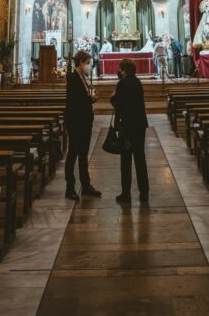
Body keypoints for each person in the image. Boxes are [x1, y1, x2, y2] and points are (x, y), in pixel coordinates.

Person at [64, 49, 102, 201]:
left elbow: (81, 97)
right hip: (76, 123)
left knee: (83, 155)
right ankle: (70, 187)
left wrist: (90, 97)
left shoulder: (81, 77)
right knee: (73, 154)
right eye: (87, 63)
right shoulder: (73, 78)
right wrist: (91, 99)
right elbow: (76, 102)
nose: (89, 66)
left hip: (84, 121)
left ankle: (86, 185)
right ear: (80, 63)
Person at [110, 58, 149, 204]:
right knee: (140, 158)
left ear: (124, 70)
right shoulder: (138, 82)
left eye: (120, 68)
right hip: (139, 125)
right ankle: (144, 192)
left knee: (125, 161)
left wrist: (112, 98)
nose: (118, 71)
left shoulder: (122, 83)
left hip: (126, 126)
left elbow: (118, 104)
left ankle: (126, 193)